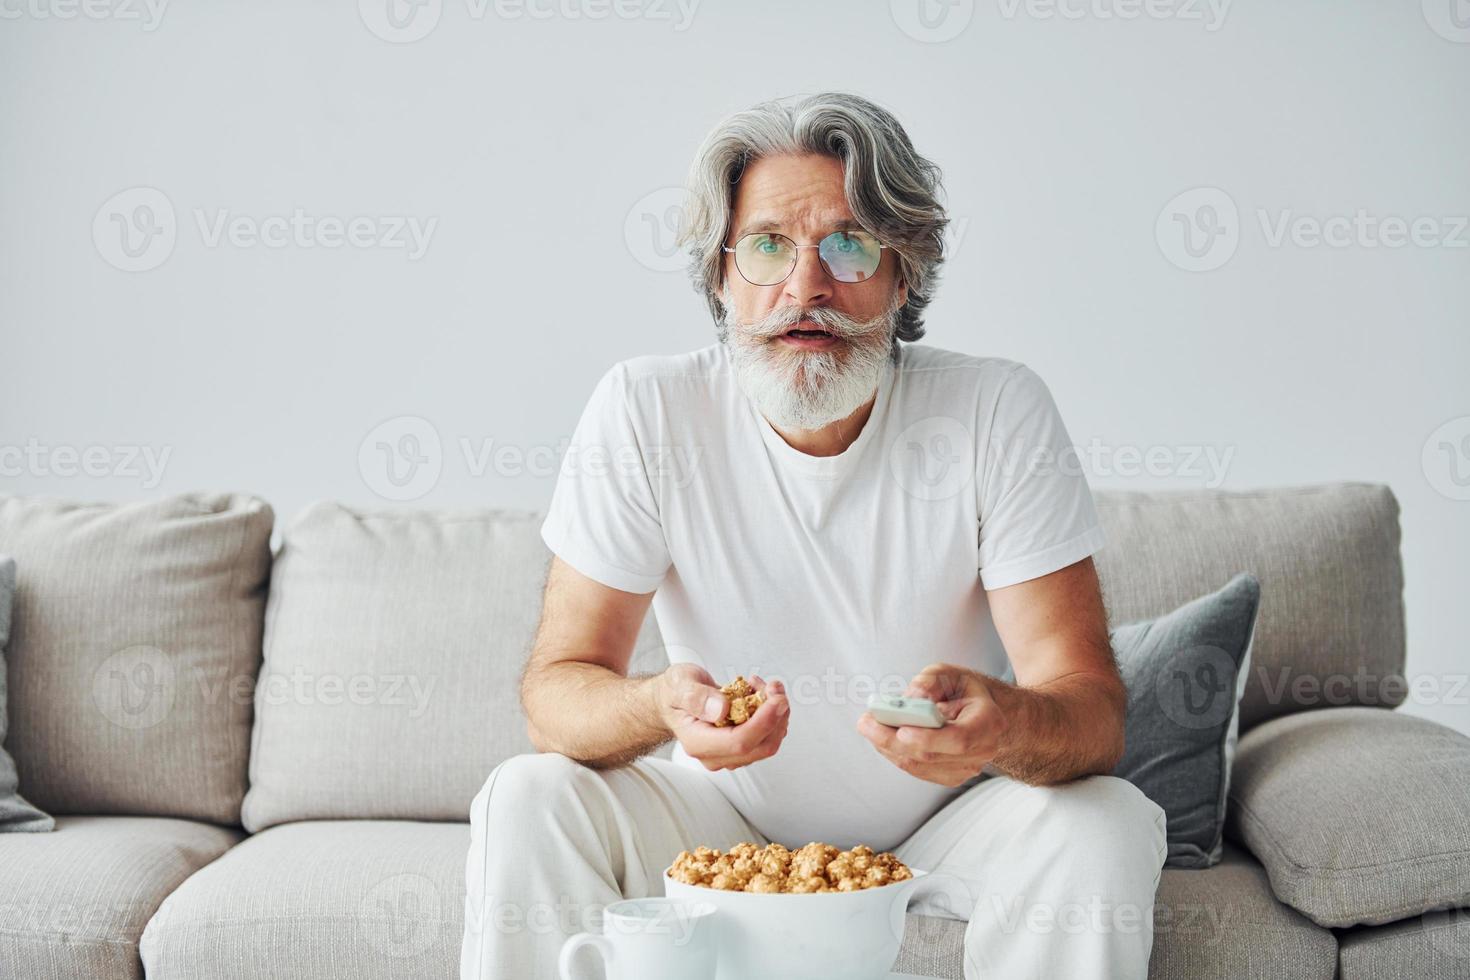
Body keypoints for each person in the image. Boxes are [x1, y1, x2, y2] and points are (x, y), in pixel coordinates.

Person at [461, 91, 1166, 980]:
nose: (805, 287)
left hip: (951, 822)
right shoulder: (647, 410)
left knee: (1106, 818)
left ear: (903, 274)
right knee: (528, 794)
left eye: (849, 243)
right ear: (721, 277)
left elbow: (1092, 711)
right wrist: (658, 706)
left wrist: (1003, 724)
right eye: (766, 246)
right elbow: (554, 693)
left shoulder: (994, 409)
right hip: (720, 811)